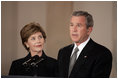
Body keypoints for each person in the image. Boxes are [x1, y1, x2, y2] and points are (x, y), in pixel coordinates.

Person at [57, 11, 112, 78]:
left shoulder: (102, 54)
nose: (74, 29)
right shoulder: (63, 52)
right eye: (71, 25)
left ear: (89, 30)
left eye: (79, 25)